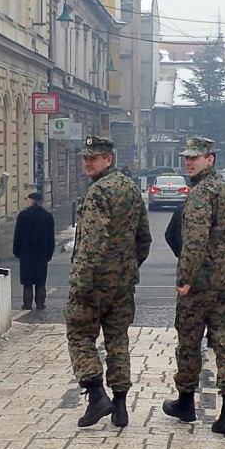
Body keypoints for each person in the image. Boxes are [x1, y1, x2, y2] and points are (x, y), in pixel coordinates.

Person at [163, 136, 225, 436]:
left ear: (210, 159)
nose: (189, 161)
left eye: (195, 157)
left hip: (200, 284)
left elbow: (194, 241)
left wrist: (185, 278)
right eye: (186, 157)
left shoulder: (200, 194)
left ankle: (186, 401)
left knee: (189, 343)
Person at [65, 135, 152, 429]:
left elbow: (91, 243)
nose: (87, 162)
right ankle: (121, 407)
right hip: (122, 283)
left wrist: (81, 283)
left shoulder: (98, 193)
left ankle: (95, 395)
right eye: (85, 157)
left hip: (93, 283)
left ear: (108, 159)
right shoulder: (129, 188)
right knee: (118, 341)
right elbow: (144, 238)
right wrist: (128, 267)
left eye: (94, 157)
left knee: (79, 335)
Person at [12, 191, 55, 311]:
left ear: (31, 200)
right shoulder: (47, 216)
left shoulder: (23, 215)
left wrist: (17, 251)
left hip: (26, 253)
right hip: (42, 253)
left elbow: (18, 235)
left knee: (27, 281)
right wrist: (50, 253)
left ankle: (27, 304)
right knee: (41, 281)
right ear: (41, 201)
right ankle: (40, 304)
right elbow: (51, 238)